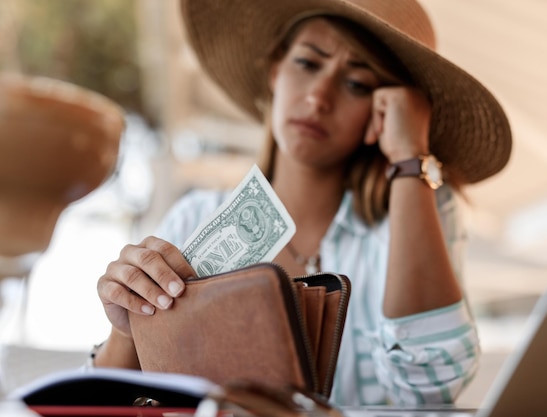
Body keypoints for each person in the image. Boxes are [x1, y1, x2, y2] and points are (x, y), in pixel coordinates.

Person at [93, 0, 512, 407]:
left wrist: (409, 160)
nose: (318, 98)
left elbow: (431, 387)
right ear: (275, 71)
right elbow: (110, 405)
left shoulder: (418, 209)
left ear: (385, 111)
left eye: (356, 84)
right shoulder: (193, 218)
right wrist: (129, 328)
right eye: (308, 63)